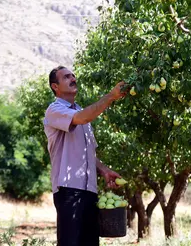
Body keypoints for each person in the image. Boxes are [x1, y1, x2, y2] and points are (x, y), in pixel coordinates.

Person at [43, 65, 128, 246]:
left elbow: (87, 152)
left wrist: (104, 170)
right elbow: (82, 118)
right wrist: (111, 96)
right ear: (55, 87)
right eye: (66, 77)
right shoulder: (55, 109)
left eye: (73, 75)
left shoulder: (81, 112)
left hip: (89, 191)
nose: (73, 78)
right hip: (68, 190)